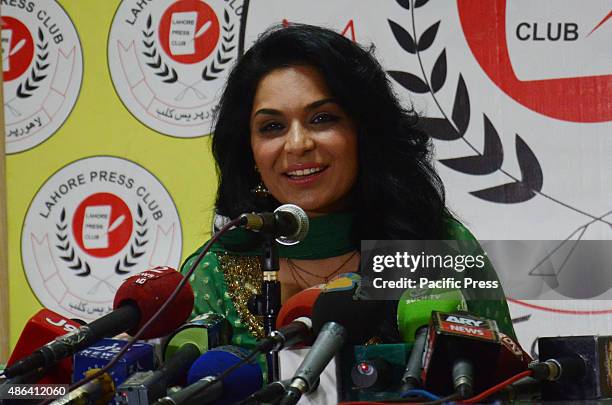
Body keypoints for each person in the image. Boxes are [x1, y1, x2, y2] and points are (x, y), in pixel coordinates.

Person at [181, 23, 516, 357]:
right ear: (249, 150)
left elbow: (509, 388)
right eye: (272, 127)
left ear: (363, 133)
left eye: (322, 118)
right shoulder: (215, 273)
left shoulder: (439, 248)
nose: (297, 144)